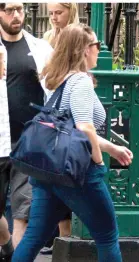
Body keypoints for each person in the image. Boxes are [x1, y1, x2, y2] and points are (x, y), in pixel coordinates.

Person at [12, 23, 133, 262]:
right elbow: (84, 127)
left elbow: (68, 130)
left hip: (49, 172)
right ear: (84, 50)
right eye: (97, 45)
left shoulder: (58, 79)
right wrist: (98, 163)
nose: (99, 49)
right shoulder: (80, 81)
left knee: (34, 237)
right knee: (107, 235)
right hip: (77, 173)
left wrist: (113, 147)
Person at [0, 2, 53, 259]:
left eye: (19, 9)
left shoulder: (40, 48)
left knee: (22, 212)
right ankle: (8, 245)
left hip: (29, 143)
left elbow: (57, 85)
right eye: (8, 10)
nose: (16, 15)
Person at [40, 3, 79, 254]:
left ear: (70, 11)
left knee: (66, 175)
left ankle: (66, 237)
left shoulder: (78, 35)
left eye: (59, 13)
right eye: (51, 13)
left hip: (70, 114)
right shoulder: (46, 38)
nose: (54, 18)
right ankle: (57, 237)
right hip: (48, 109)